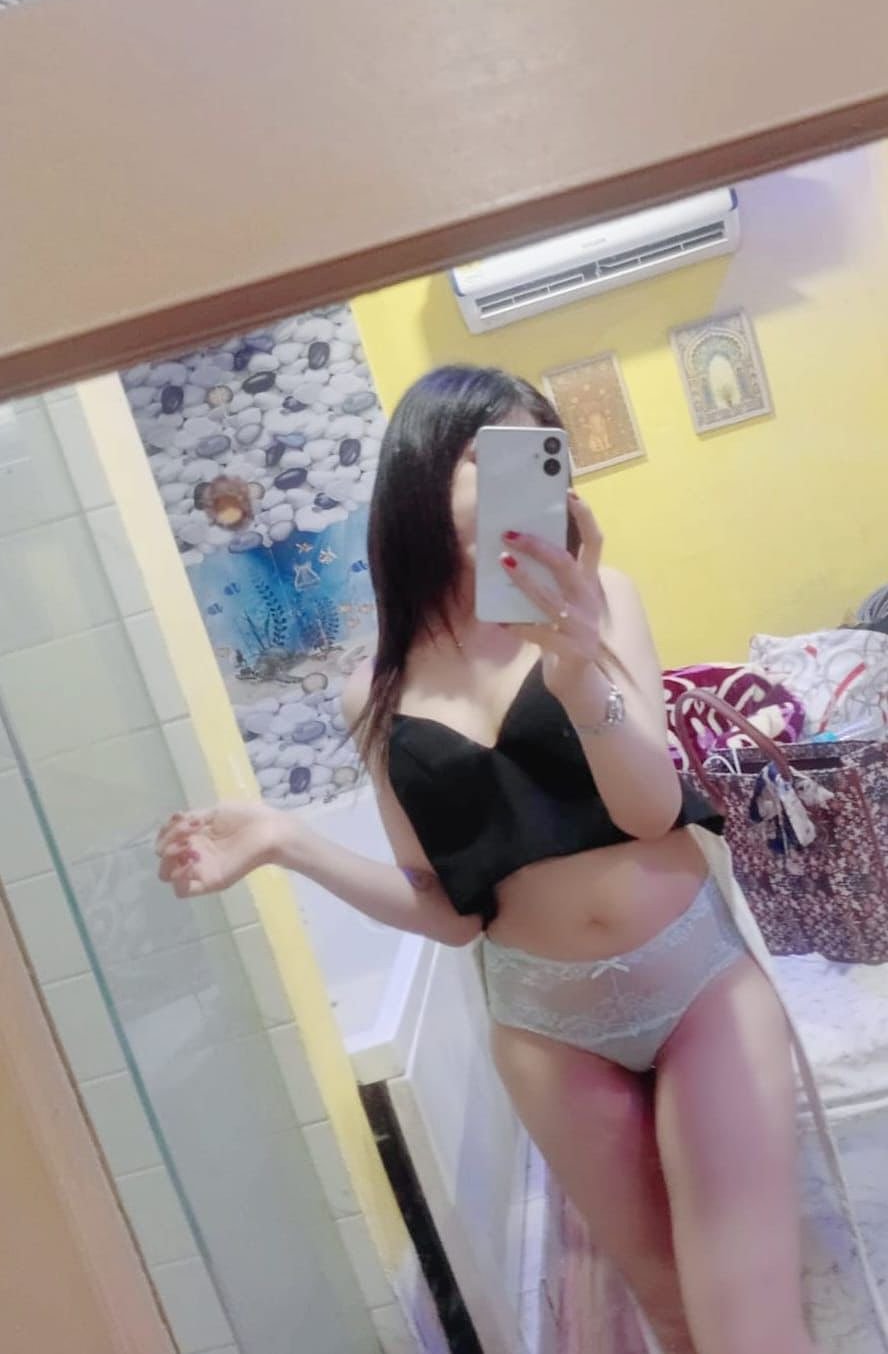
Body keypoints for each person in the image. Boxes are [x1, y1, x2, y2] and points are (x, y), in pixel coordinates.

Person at [157, 366, 815, 1354]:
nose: (515, 476)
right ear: (421, 473)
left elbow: (647, 812)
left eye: (534, 454)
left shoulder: (601, 602)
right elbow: (449, 910)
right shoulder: (375, 688)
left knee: (750, 1325)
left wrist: (576, 667)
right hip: (548, 1030)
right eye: (482, 454)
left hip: (695, 986)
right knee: (673, 1315)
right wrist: (289, 843)